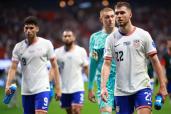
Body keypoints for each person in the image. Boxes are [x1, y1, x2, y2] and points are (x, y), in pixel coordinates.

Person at [101, 2, 168, 114]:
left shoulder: (143, 35)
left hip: (141, 87)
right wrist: (103, 87)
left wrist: (162, 86)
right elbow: (107, 64)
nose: (119, 16)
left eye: (122, 13)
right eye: (117, 13)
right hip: (121, 91)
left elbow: (155, 61)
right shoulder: (111, 39)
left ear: (130, 14)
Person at [5, 16, 61, 114]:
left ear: (37, 29)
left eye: (31, 28)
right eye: (26, 28)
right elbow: (13, 68)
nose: (28, 30)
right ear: (23, 29)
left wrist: (58, 88)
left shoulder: (46, 44)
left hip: (42, 88)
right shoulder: (18, 47)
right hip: (26, 90)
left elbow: (54, 66)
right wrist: (7, 85)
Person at [88, 7, 116, 114]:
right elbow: (93, 64)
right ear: (101, 19)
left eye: (112, 16)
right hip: (104, 82)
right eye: (107, 17)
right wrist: (90, 87)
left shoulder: (122, 35)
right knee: (105, 111)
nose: (110, 19)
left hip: (121, 82)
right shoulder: (95, 38)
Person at [54, 29, 89, 114]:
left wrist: (90, 85)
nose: (67, 38)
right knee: (69, 112)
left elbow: (86, 68)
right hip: (64, 88)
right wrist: (56, 86)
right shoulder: (57, 52)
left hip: (78, 87)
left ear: (74, 38)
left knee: (76, 110)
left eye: (69, 36)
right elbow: (55, 70)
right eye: (65, 36)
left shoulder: (81, 51)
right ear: (62, 38)